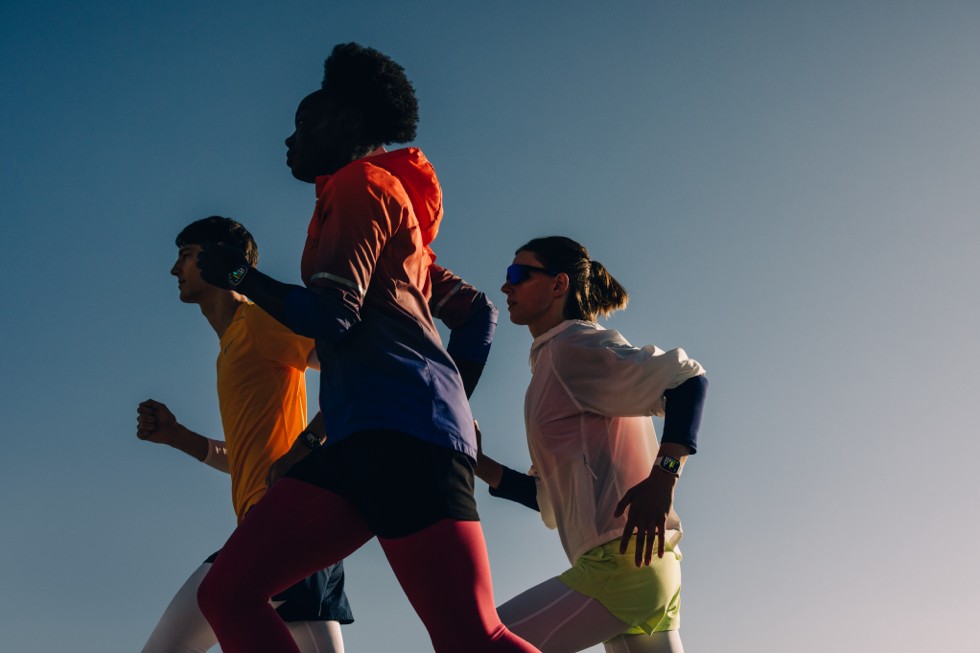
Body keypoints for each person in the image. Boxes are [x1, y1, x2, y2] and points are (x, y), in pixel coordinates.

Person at [193, 43, 539, 653]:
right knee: (226, 593)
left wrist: (242, 278)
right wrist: (452, 399)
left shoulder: (361, 187)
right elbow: (477, 312)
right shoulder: (377, 201)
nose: (289, 139)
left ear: (349, 125)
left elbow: (333, 316)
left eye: (306, 123)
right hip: (366, 439)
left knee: (471, 638)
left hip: (402, 439)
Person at [474, 236, 708, 653]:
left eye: (517, 275)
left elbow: (687, 379)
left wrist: (664, 477)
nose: (506, 287)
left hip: (620, 567)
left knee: (477, 644)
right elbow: (548, 497)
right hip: (648, 569)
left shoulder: (571, 347)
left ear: (559, 284)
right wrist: (476, 460)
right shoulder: (551, 365)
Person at [136, 216, 352, 653]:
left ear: (217, 259)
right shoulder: (232, 346)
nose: (174, 270)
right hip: (281, 523)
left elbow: (354, 370)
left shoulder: (259, 323)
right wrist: (178, 436)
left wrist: (307, 445)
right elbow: (254, 459)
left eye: (185, 256)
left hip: (283, 523)